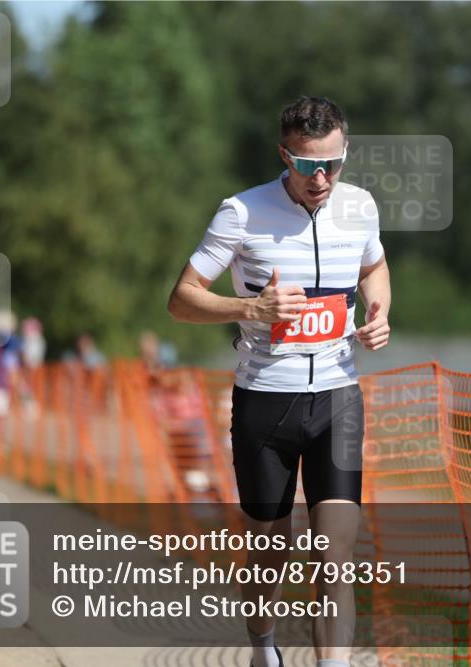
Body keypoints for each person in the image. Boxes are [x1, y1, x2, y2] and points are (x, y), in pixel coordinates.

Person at [168, 96, 391, 667]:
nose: (321, 179)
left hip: (338, 398)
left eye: (333, 165)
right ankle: (264, 647)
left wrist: (378, 310)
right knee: (271, 550)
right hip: (266, 402)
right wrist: (251, 310)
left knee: (335, 552)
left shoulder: (360, 206)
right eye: (307, 165)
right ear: (283, 156)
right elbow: (182, 300)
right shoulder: (241, 213)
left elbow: (373, 267)